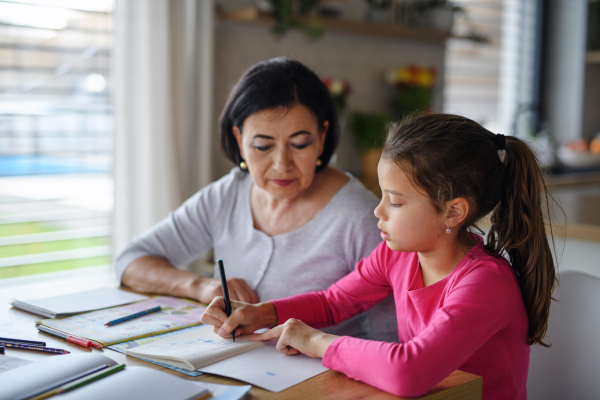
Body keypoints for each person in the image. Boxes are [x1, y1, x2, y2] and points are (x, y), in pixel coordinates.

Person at [200, 113, 559, 399]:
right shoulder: (397, 255)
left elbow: (409, 372)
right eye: (382, 196)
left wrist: (314, 341)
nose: (378, 212)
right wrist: (262, 313)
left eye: (396, 202)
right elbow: (332, 303)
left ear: (453, 212)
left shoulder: (485, 283)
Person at [115, 57, 397, 342]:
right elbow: (130, 261)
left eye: (300, 144)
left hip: (318, 380)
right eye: (263, 145)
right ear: (239, 140)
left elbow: (392, 335)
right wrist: (199, 286)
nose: (281, 164)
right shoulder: (228, 194)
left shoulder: (361, 217)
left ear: (322, 138)